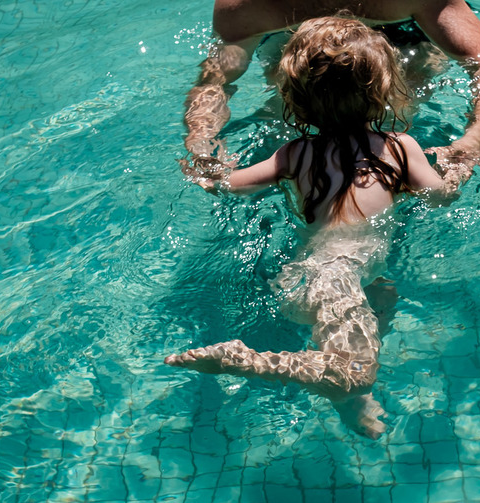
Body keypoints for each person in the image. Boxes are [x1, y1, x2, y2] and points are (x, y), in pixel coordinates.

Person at [166, 16, 453, 438]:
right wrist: (451, 168)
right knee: (356, 372)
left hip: (312, 276)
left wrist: (207, 165)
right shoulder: (401, 147)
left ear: (296, 101)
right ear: (385, 91)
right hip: (335, 280)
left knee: (384, 296)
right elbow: (442, 195)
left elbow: (227, 186)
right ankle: (242, 360)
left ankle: (350, 402)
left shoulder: (293, 154)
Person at [183, 0, 480, 189]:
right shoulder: (247, 4)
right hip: (286, 37)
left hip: (408, 38)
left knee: (403, 100)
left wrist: (474, 138)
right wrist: (203, 140)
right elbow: (214, 83)